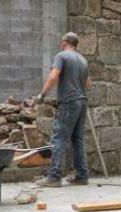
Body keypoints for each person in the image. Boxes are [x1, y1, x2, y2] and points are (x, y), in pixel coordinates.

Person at [34, 32, 90, 187]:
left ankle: (54, 177)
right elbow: (88, 83)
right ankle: (82, 176)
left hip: (69, 101)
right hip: (82, 101)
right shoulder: (83, 60)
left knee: (59, 138)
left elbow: (53, 76)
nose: (61, 43)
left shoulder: (61, 56)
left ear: (65, 42)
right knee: (78, 139)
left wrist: (42, 95)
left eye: (61, 41)